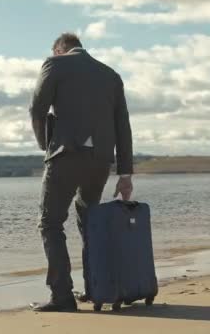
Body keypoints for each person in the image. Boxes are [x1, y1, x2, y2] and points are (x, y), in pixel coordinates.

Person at [29, 33, 134, 312]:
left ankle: (62, 296)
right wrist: (125, 174)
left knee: (50, 223)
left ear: (59, 49)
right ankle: (96, 287)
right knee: (90, 220)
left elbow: (37, 108)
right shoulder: (110, 75)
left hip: (66, 156)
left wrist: (45, 146)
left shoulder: (55, 64)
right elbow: (123, 126)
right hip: (100, 161)